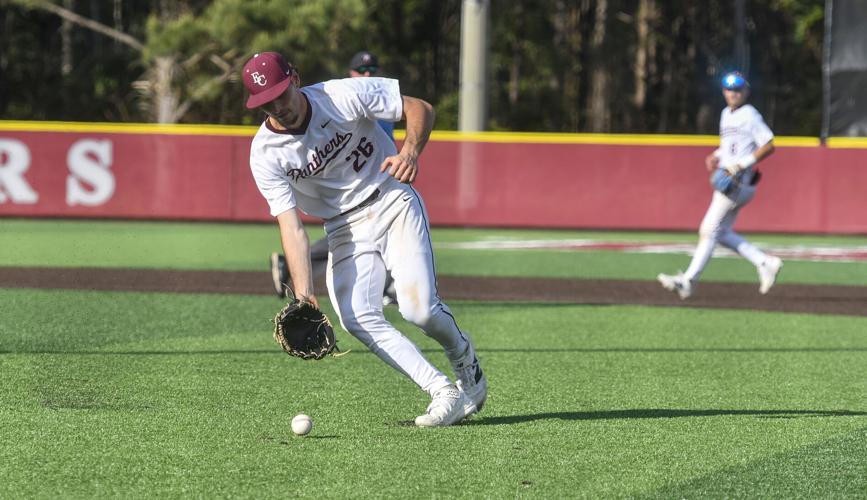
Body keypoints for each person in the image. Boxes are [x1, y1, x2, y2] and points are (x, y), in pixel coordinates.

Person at [243, 51, 487, 427]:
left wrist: (410, 150)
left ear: (294, 77)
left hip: (390, 198)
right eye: (266, 102)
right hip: (342, 227)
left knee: (419, 310)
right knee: (356, 317)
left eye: (280, 93)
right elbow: (291, 227)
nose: (278, 106)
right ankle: (442, 391)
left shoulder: (340, 95)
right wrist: (305, 294)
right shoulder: (264, 154)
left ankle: (464, 360)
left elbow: (419, 107)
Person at [270, 50, 396, 305]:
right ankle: (386, 286)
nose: (367, 74)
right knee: (351, 237)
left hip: (377, 174)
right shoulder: (339, 97)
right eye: (361, 70)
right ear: (351, 73)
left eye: (372, 71)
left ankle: (386, 285)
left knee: (372, 236)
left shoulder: (374, 95)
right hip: (348, 185)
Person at [657, 71, 783, 299]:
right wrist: (716, 154)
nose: (733, 93)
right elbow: (731, 145)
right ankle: (765, 261)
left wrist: (740, 165)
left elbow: (769, 145)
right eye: (728, 89)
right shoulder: (726, 114)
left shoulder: (749, 114)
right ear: (723, 91)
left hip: (737, 182)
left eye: (737, 89)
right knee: (721, 233)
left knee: (708, 230)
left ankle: (688, 281)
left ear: (746, 91)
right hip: (732, 182)